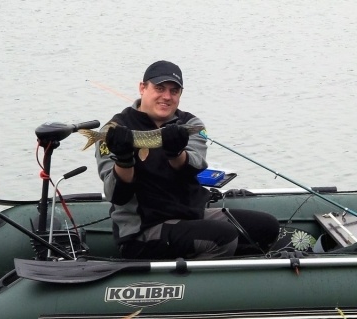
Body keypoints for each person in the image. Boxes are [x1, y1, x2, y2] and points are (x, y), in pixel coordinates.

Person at [95, 60, 279, 260]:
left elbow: (193, 166)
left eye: (174, 91)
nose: (167, 96)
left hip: (188, 215)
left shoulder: (190, 124)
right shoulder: (113, 130)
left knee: (266, 227)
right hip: (142, 230)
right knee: (223, 237)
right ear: (142, 88)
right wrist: (123, 159)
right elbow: (115, 194)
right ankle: (192, 284)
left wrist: (176, 152)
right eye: (159, 88)